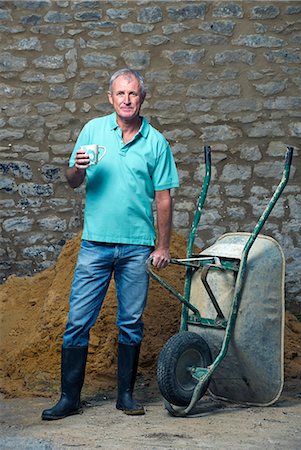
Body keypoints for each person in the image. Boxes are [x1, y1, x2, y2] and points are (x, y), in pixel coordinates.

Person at [41, 68, 179, 420]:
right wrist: (78, 168)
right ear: (110, 98)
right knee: (77, 321)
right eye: (121, 94)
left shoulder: (156, 142)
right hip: (95, 246)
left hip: (136, 248)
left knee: (130, 322)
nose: (127, 99)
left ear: (142, 98)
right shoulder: (92, 131)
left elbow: (164, 199)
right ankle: (69, 398)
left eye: (133, 94)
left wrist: (162, 248)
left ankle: (126, 397)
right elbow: (72, 180)